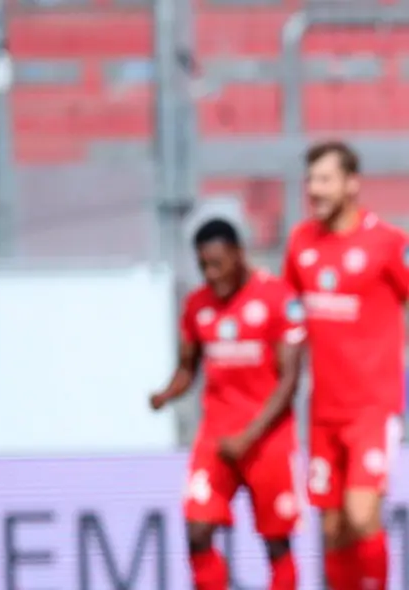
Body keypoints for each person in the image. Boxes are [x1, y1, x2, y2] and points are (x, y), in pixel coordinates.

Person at [151, 219, 306, 590]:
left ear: (239, 254)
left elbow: (289, 381)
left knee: (276, 544)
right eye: (203, 265)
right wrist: (166, 393)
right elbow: (188, 368)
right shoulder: (197, 305)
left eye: (218, 263)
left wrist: (248, 437)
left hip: (267, 440)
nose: (211, 273)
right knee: (197, 532)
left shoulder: (278, 298)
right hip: (217, 440)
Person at [283, 141, 409, 589]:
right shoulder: (301, 243)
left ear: (352, 185)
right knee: (333, 528)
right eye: (310, 181)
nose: (313, 190)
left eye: (324, 180)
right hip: (323, 412)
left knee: (362, 513)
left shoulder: (388, 242)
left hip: (372, 409)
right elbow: (292, 318)